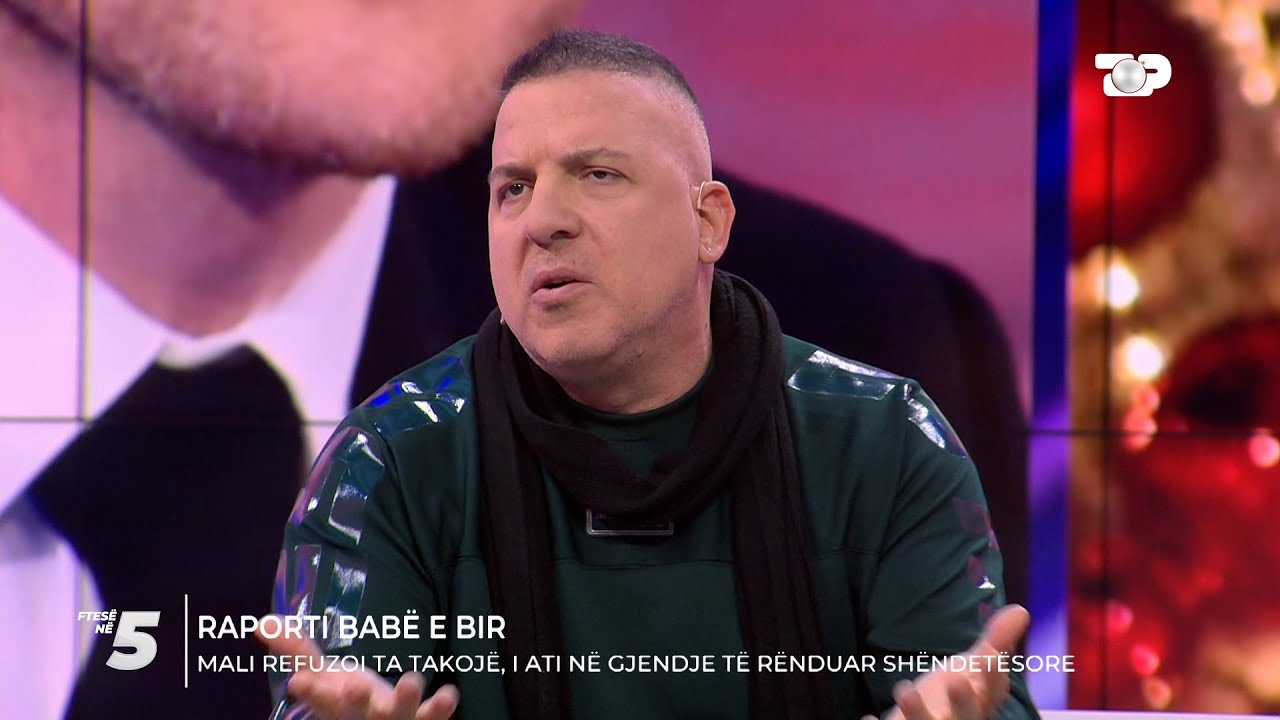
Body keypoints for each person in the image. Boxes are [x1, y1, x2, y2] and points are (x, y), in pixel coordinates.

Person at [0, 1, 1026, 717]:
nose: (548, 223)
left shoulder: (876, 377)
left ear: (707, 218)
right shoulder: (395, 452)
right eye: (518, 190)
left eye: (598, 178)